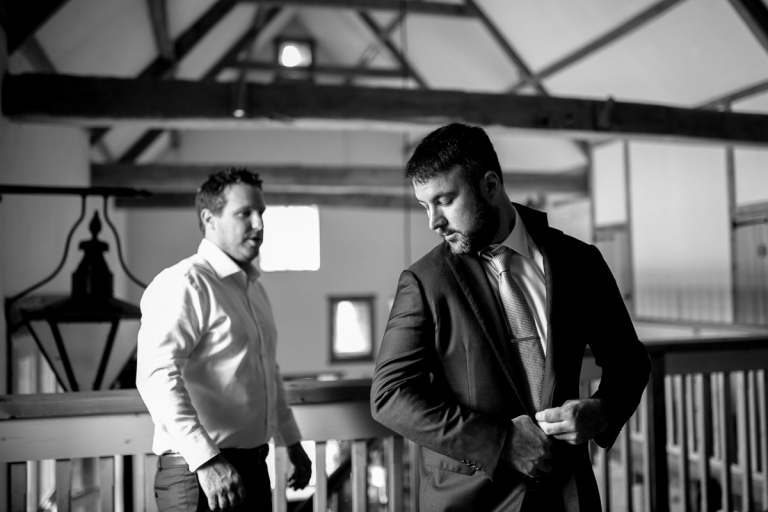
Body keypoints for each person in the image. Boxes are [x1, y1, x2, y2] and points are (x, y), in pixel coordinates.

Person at [370, 123, 650, 512]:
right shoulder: (424, 282)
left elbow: (629, 362)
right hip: (472, 500)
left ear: (489, 185)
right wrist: (500, 441)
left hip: (567, 496)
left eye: (445, 200)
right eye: (424, 206)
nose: (433, 221)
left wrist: (601, 411)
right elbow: (390, 395)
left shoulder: (579, 262)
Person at [137, 168, 311, 512]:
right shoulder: (184, 282)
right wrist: (206, 460)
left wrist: (291, 442)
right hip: (198, 472)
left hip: (253, 467)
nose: (259, 224)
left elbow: (267, 372)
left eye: (262, 213)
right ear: (209, 218)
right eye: (245, 213)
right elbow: (157, 377)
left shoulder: (253, 289)